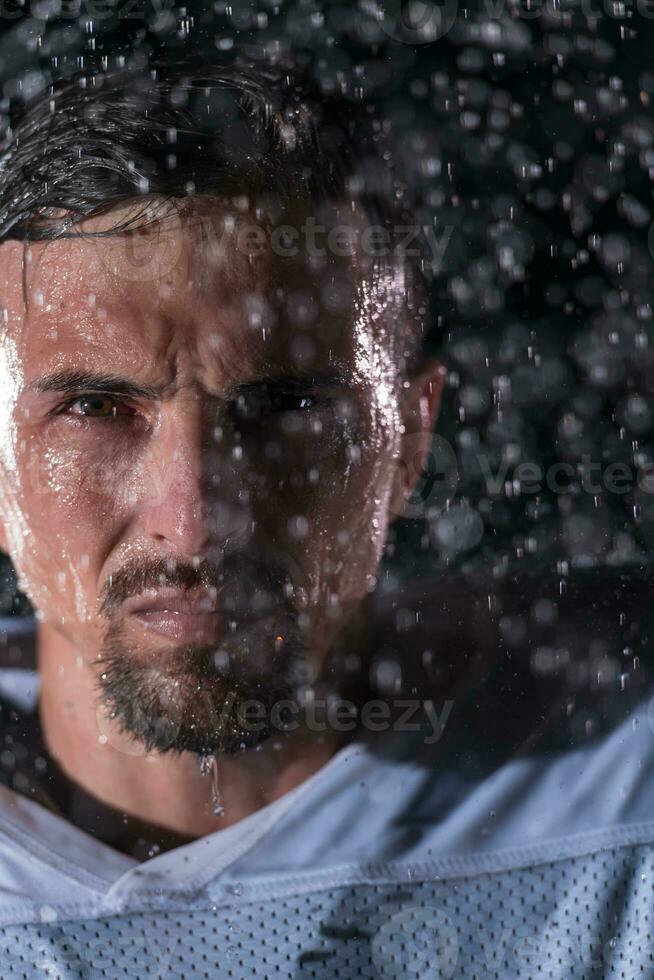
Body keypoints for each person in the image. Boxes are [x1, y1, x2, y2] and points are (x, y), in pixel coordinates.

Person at [0, 59, 651, 979]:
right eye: (97, 409)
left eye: (285, 407)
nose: (194, 524)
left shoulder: (625, 793)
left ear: (411, 439)